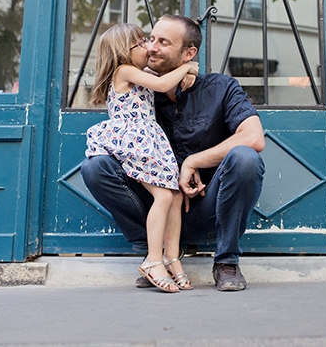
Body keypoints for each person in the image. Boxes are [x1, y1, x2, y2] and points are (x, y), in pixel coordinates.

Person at [82, 15, 265, 292]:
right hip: (154, 203)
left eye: (163, 42)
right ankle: (155, 255)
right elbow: (154, 86)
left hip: (208, 205)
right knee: (95, 167)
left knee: (246, 157)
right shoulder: (141, 85)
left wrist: (193, 161)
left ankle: (226, 260)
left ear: (188, 53)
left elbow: (254, 137)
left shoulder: (220, 88)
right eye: (150, 39)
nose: (152, 47)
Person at [85, 23, 199, 293]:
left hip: (151, 139)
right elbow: (161, 83)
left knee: (175, 195)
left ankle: (172, 259)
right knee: (162, 197)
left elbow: (168, 90)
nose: (148, 47)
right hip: (134, 140)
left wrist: (185, 76)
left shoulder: (140, 72)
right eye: (141, 43)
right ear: (124, 51)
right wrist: (187, 67)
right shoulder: (124, 71)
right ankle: (153, 260)